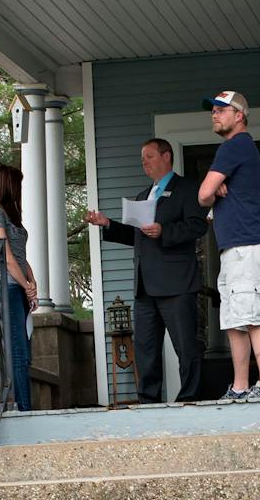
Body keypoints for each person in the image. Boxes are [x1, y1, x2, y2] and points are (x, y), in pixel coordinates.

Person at [83, 138, 204, 402]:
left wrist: (164, 231)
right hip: (145, 286)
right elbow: (136, 236)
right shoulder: (143, 196)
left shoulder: (187, 189)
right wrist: (107, 224)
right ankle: (149, 401)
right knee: (146, 348)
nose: (144, 162)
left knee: (186, 347)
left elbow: (197, 226)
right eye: (142, 158)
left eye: (149, 156)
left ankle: (191, 400)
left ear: (166, 156)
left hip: (177, 283)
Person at [197, 90, 260, 402]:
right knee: (234, 320)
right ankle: (241, 386)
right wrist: (216, 189)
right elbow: (208, 193)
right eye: (213, 110)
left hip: (246, 245)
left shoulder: (235, 146)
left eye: (221, 110)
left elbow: (203, 194)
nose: (214, 115)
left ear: (239, 115)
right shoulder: (236, 148)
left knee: (251, 316)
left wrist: (213, 189)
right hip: (234, 248)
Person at [0, 164, 38, 411]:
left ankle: (25, 407)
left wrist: (32, 282)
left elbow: (21, 255)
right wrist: (25, 286)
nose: (20, 190)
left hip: (19, 288)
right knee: (18, 353)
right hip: (7, 288)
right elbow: (6, 256)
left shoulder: (10, 214)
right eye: (17, 184)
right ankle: (24, 410)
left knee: (24, 352)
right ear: (7, 185)